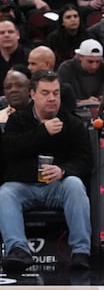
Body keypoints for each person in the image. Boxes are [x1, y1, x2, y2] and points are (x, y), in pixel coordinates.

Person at [0, 69, 92, 273]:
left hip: (57, 187)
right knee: (5, 192)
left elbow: (85, 161)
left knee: (75, 184)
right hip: (24, 186)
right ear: (32, 94)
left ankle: (81, 252)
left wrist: (63, 170)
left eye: (56, 93)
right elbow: (10, 151)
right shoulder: (18, 121)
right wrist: (42, 132)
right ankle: (18, 250)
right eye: (45, 93)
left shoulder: (73, 123)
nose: (52, 98)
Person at [57, 38, 104, 107]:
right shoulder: (66, 69)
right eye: (90, 61)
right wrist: (81, 102)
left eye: (98, 62)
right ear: (80, 57)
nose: (94, 66)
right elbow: (62, 97)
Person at [27, 45, 77, 111]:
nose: (29, 67)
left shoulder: (65, 91)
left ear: (47, 65)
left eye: (33, 64)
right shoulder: (26, 86)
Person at [0, 20, 30, 96]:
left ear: (18, 35)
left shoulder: (30, 57)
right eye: (1, 33)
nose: (6, 35)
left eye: (10, 32)